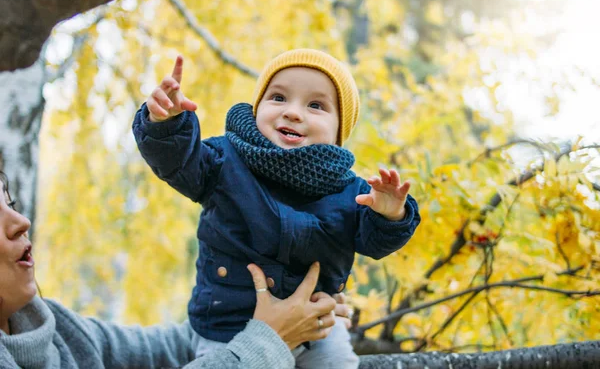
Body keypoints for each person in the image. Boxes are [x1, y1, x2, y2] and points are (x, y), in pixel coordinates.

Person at [133, 49, 421, 368]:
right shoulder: (224, 160)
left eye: (316, 105)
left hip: (316, 332)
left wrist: (390, 214)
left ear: (340, 133)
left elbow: (375, 242)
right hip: (227, 328)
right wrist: (166, 125)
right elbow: (180, 162)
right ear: (258, 107)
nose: (293, 113)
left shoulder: (350, 190)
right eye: (279, 98)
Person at [0, 170, 353, 368]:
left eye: (9, 201)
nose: (20, 221)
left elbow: (160, 349)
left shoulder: (49, 328)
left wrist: (283, 311)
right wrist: (269, 338)